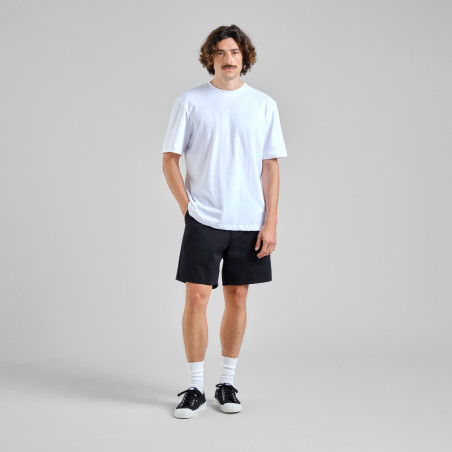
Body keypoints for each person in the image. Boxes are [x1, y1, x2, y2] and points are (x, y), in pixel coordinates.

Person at [161, 24, 288, 419]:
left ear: (244, 57)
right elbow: (169, 159)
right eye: (220, 52)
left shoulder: (263, 104)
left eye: (234, 52)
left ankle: (226, 382)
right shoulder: (189, 102)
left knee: (238, 297)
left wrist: (271, 221)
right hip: (204, 217)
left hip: (249, 219)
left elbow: (270, 167)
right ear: (210, 58)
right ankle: (194, 387)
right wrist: (188, 209)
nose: (228, 59)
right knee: (196, 298)